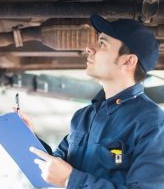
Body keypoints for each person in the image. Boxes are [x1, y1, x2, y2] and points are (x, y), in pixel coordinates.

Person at [17, 13, 164, 188]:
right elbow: (54, 168)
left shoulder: (153, 124)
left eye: (102, 43)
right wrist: (27, 136)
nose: (89, 48)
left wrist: (71, 180)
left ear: (128, 61)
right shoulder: (83, 117)